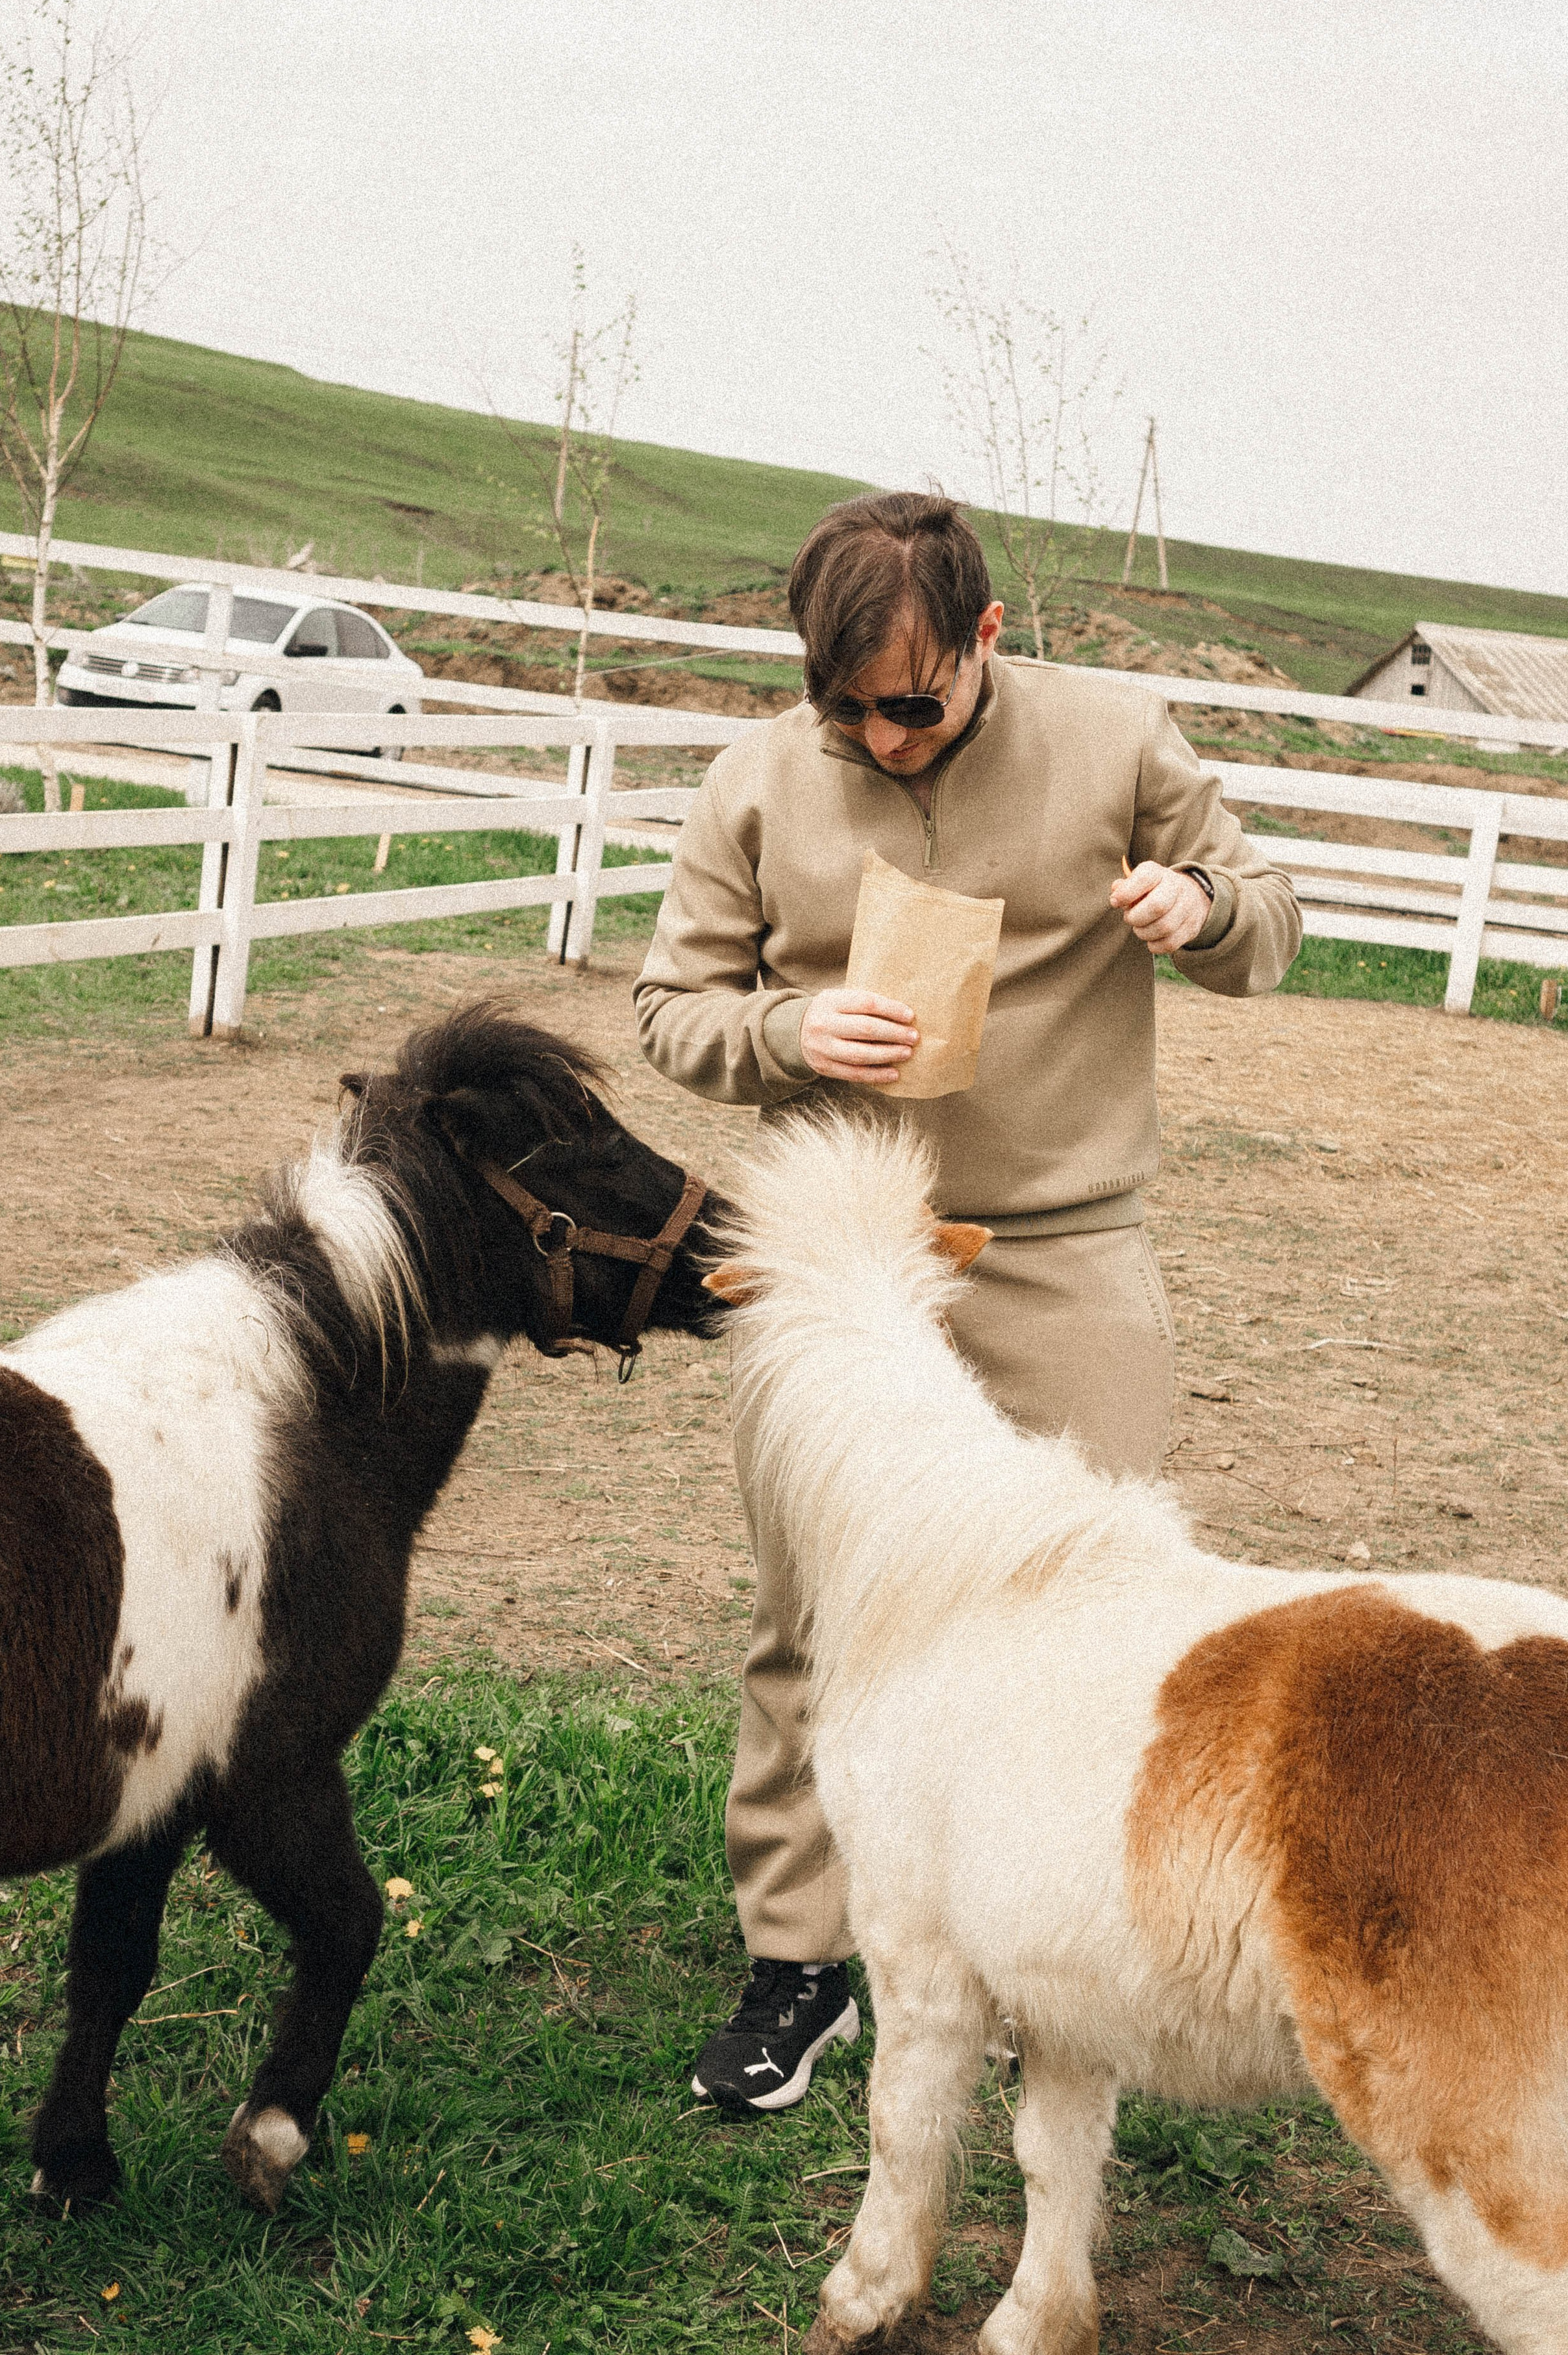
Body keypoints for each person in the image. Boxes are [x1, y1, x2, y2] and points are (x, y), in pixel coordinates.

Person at [633, 492, 1301, 2113]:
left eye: (913, 702)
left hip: (1065, 1248)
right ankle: (799, 1967)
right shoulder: (754, 782)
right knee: (813, 1619)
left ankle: (1041, 1968)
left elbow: (1267, 922)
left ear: (987, 639)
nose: (880, 732)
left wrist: (1200, 912)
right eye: (842, 704)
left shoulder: (1121, 740)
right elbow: (669, 1007)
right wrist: (791, 1037)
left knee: (1090, 1613)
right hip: (843, 1267)